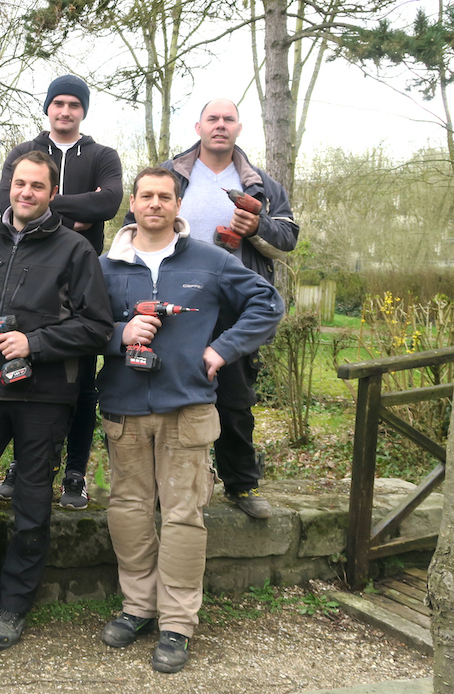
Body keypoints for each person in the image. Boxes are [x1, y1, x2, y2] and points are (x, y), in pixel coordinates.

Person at [97, 167, 283, 673]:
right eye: (146, 196)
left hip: (188, 408)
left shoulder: (211, 259)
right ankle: (137, 606)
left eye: (165, 196)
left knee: (182, 517)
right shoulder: (104, 265)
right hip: (125, 409)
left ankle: (177, 621)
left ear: (178, 205)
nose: (155, 204)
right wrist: (119, 334)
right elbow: (77, 325)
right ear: (131, 204)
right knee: (130, 510)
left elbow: (267, 302)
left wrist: (224, 349)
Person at [0, 151, 113, 650]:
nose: (26, 193)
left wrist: (34, 343)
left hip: (46, 397)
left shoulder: (75, 249)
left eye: (37, 186)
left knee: (32, 506)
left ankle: (14, 605)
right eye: (19, 184)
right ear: (8, 187)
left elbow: (97, 327)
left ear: (52, 193)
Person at [150, 98, 298, 518]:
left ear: (239, 127)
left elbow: (288, 236)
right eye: (212, 119)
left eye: (227, 119)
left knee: (234, 398)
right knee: (172, 394)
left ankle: (242, 485)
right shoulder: (172, 175)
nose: (220, 125)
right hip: (180, 299)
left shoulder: (261, 184)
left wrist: (258, 226)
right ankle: (168, 486)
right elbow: (138, 220)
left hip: (236, 301)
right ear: (198, 126)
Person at [0, 75, 123, 509]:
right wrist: (77, 205)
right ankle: (22, 464)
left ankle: (74, 472)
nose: (65, 111)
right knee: (23, 374)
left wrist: (53, 204)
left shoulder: (102, 155)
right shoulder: (24, 153)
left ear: (83, 110)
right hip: (28, 278)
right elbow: (7, 204)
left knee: (83, 382)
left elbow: (109, 204)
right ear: (47, 108)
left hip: (82, 279)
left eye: (73, 104)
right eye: (58, 103)